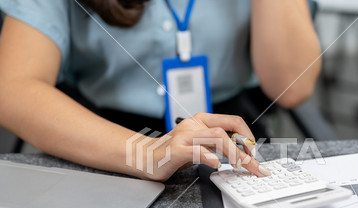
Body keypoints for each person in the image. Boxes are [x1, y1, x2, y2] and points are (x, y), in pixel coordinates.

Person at [0, 0, 321, 181]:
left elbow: (291, 86)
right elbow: (13, 87)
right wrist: (147, 153)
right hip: (103, 140)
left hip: (234, 137)